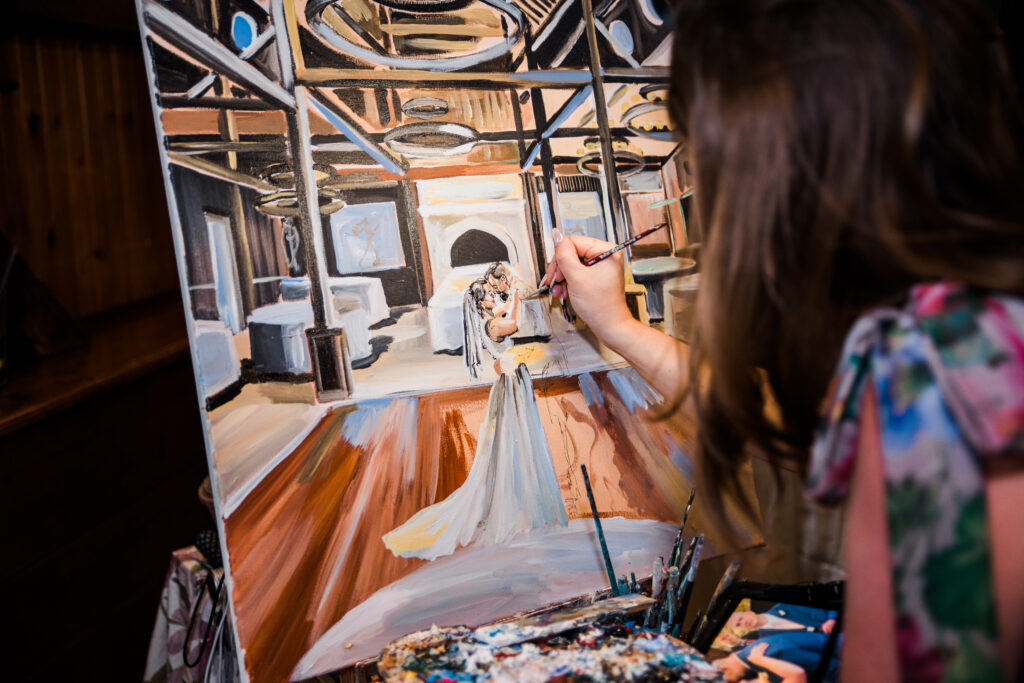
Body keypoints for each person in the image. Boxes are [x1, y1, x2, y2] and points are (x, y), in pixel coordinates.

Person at [543, 1, 1024, 680]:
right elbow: (764, 410)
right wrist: (619, 325)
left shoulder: (926, 371)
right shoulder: (956, 330)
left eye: (709, 158)